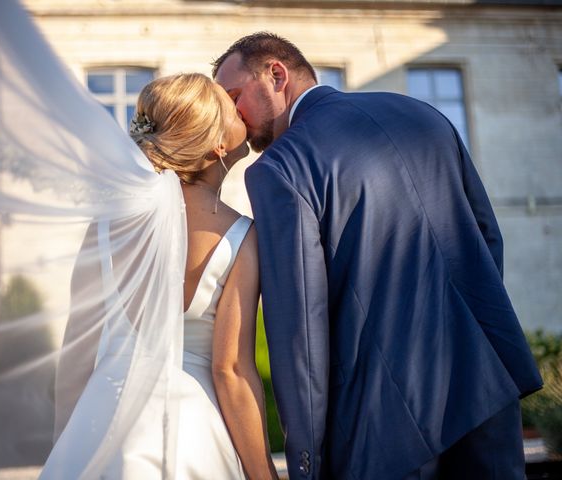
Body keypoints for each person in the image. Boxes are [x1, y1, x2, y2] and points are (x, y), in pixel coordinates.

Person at [213, 32, 543, 480]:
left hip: (382, 425)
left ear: (276, 74)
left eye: (234, 97)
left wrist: (306, 461)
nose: (233, 116)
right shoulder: (423, 115)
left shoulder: (280, 167)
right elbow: (486, 237)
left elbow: (300, 328)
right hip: (486, 389)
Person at [40, 73, 278, 479]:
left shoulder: (105, 227)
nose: (241, 111)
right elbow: (231, 371)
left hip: (102, 425)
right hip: (192, 433)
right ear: (218, 144)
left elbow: (77, 354)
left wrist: (68, 444)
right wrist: (264, 473)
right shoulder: (241, 236)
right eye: (230, 107)